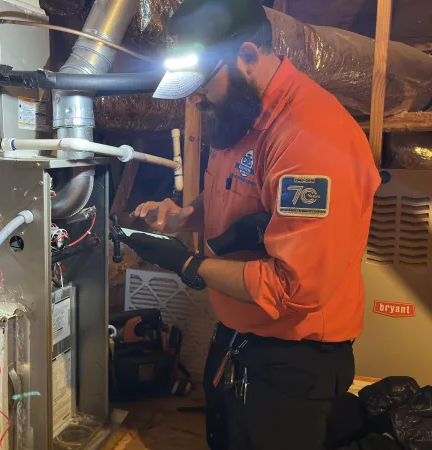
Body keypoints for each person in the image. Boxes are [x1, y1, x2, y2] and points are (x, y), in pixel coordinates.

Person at [126, 0, 382, 448]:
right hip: (242, 342)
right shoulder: (240, 114)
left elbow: (293, 288)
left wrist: (189, 265)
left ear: (246, 55)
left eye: (200, 83)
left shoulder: (309, 139)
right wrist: (188, 216)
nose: (194, 97)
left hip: (292, 366)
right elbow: (236, 189)